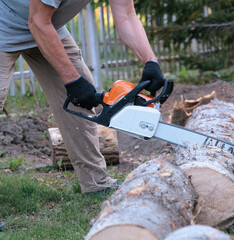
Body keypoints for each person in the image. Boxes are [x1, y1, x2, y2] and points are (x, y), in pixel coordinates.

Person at [0, 0, 164, 193]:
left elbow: (126, 15)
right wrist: (72, 81)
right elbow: (37, 21)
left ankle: (96, 182)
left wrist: (150, 62)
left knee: (81, 99)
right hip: (8, 23)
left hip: (47, 26)